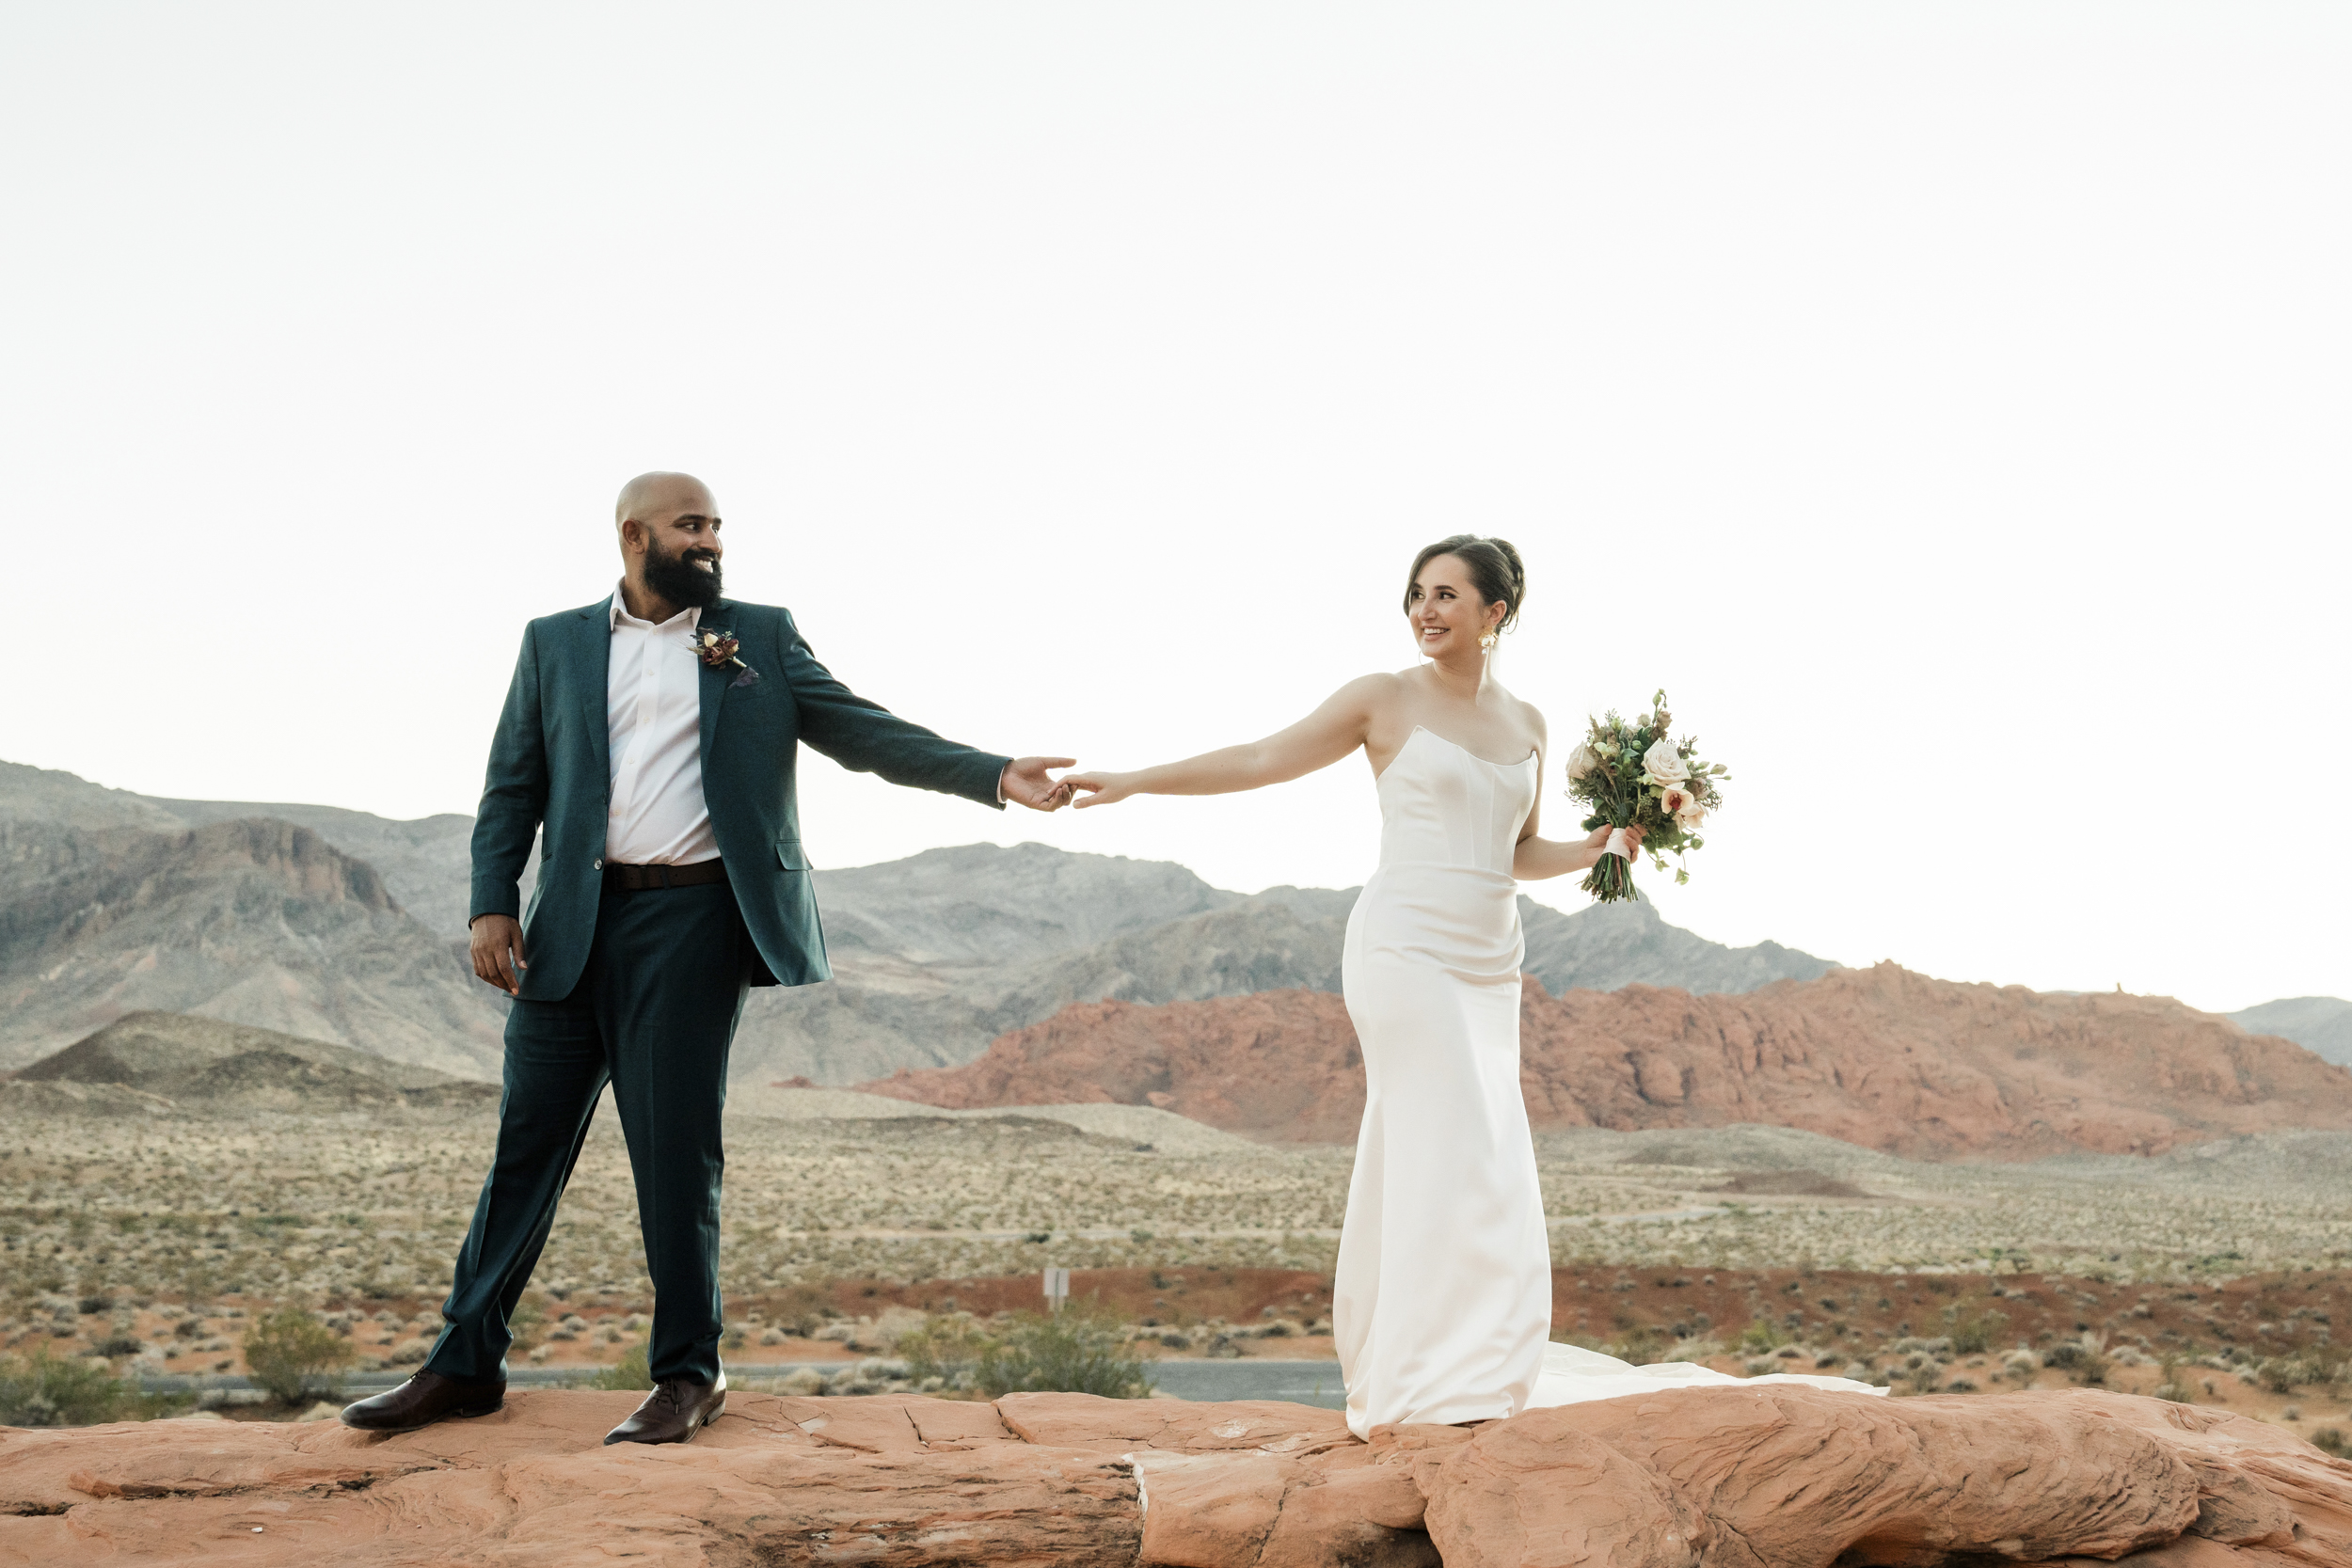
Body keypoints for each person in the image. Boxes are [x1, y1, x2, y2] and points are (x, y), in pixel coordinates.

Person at [342, 472, 1073, 1444]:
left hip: (690, 923)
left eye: (719, 526)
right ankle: (463, 1363)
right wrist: (490, 904)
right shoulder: (554, 641)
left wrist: (989, 772)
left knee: (675, 1160)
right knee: (523, 1152)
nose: (712, 541)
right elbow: (511, 786)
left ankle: (690, 1372)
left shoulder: (755, 634)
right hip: (570, 928)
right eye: (692, 525)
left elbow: (861, 731)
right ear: (633, 534)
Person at [1063, 535, 1640, 1435]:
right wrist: (1136, 782)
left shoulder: (1528, 721)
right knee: (1438, 1139)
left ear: (1497, 612)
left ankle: (1478, 1365)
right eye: (1416, 593)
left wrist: (1605, 845)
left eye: (1447, 594)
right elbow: (1262, 757)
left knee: (1484, 1154)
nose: (1425, 610)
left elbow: (1519, 852)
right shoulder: (1384, 697)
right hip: (1404, 945)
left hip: (1491, 961)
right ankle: (1419, 1379)